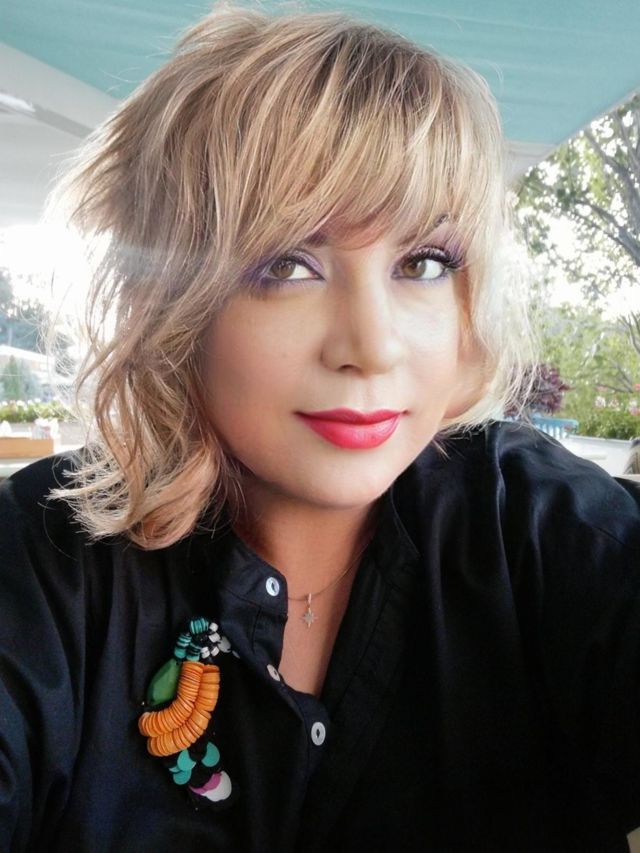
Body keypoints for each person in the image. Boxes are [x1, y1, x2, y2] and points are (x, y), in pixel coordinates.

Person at [1, 4, 640, 852]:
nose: (372, 345)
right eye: (287, 263)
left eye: (423, 263)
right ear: (172, 306)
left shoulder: (532, 527)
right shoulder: (49, 558)